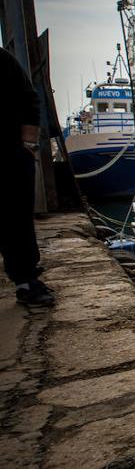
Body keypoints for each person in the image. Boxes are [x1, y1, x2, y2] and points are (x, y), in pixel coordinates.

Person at [1, 47, 53, 307]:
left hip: (9, 153)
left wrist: (28, 144)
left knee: (16, 218)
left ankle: (25, 280)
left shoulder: (3, 60)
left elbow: (29, 100)